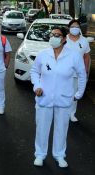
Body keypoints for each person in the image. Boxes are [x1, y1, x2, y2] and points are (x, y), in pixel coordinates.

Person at [30, 27, 87, 168]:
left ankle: (59, 155)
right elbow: (34, 71)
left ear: (63, 39)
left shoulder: (73, 56)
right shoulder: (43, 54)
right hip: (44, 98)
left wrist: (79, 94)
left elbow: (82, 75)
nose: (53, 37)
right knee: (42, 128)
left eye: (57, 35)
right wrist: (36, 85)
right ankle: (40, 155)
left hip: (64, 99)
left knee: (61, 129)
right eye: (52, 34)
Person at [65, 19, 91, 122]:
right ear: (69, 28)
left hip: (78, 73)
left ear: (79, 28)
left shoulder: (84, 41)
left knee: (75, 94)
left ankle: (72, 113)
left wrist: (86, 71)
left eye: (77, 26)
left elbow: (87, 57)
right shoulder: (64, 39)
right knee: (63, 92)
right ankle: (62, 112)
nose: (75, 28)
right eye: (73, 26)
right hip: (64, 72)